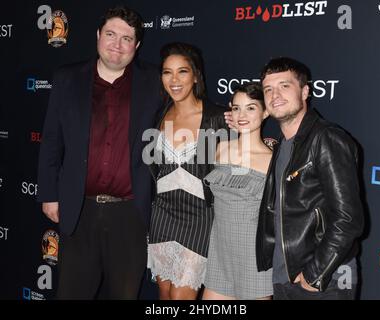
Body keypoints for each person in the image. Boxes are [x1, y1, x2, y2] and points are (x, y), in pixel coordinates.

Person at [37, 6, 161, 299]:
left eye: (127, 39)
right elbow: (52, 140)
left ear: (137, 45)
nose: (117, 45)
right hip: (78, 209)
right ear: (97, 36)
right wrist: (49, 194)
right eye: (110, 34)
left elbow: (190, 108)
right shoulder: (67, 78)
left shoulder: (155, 82)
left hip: (131, 213)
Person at [241, 57, 363, 300]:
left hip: (324, 280)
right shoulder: (283, 145)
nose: (275, 95)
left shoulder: (326, 138)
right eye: (268, 89)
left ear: (305, 91)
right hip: (285, 276)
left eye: (284, 86)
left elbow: (348, 218)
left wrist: (315, 274)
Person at [146, 42, 229, 300]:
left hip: (199, 218)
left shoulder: (217, 118)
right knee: (164, 293)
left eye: (182, 71)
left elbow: (229, 177)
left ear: (195, 76)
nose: (174, 80)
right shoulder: (158, 116)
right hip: (162, 214)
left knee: (181, 296)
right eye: (167, 72)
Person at [202, 83, 273, 300]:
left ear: (266, 112)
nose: (242, 114)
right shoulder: (220, 148)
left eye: (251, 108)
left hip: (253, 257)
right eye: (236, 108)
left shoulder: (272, 160)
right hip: (220, 251)